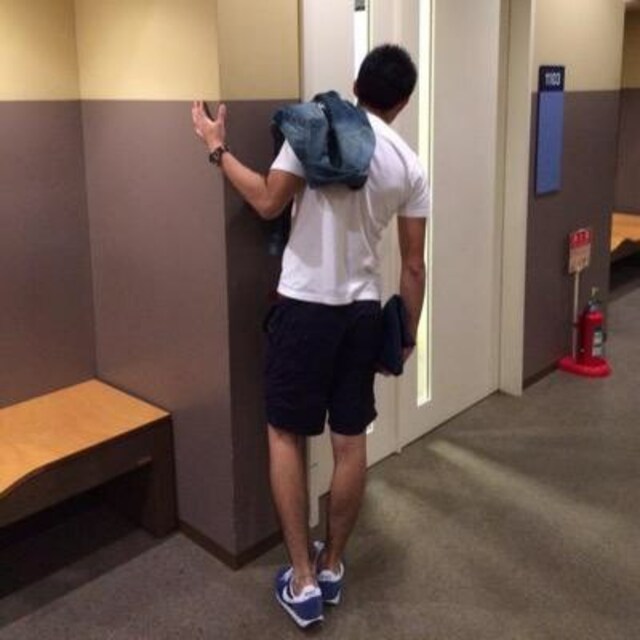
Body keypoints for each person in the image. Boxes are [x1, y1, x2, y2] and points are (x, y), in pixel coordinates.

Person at [192, 44, 429, 629]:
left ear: (356, 84)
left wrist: (217, 148)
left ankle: (300, 581)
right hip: (362, 314)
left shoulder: (315, 124)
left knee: (285, 434)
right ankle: (332, 565)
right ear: (402, 102)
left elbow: (266, 201)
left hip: (303, 310)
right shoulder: (409, 165)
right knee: (350, 442)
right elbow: (413, 265)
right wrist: (407, 333)